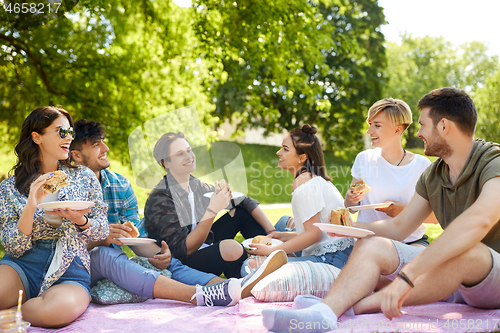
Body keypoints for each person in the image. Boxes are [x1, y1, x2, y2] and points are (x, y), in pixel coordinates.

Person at [261, 88, 500, 333]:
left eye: (422, 125)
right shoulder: (434, 174)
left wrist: (407, 277)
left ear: (444, 126)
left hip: (490, 273)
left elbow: (479, 221)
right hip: (448, 275)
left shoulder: (494, 162)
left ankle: (357, 306)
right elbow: (398, 227)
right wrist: (346, 228)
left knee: (468, 252)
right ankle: (324, 313)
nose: (417, 133)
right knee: (373, 244)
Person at [69, 119, 251, 306]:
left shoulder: (120, 184)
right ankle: (202, 294)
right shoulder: (65, 187)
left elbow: (135, 237)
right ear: (77, 155)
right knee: (107, 255)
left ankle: (231, 288)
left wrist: (160, 256)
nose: (106, 148)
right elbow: (61, 246)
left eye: (103, 141)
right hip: (79, 265)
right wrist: (101, 238)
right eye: (96, 145)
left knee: (171, 265)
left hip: (120, 261)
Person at [0, 106, 109, 328]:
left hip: (70, 268)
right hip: (23, 264)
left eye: (70, 132)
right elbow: (13, 247)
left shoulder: (84, 177)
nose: (68, 138)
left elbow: (103, 230)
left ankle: (12, 313)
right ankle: (22, 306)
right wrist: (31, 205)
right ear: (36, 137)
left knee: (55, 313)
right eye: (61, 132)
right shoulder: (8, 188)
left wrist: (81, 221)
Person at [143, 131, 286, 295]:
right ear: (166, 163)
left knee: (240, 212)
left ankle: (274, 258)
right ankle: (250, 281)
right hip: (182, 263)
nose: (189, 156)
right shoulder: (161, 198)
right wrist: (212, 210)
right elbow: (183, 249)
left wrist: (271, 232)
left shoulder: (195, 185)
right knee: (231, 248)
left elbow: (243, 200)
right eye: (180, 154)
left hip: (203, 245)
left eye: (189, 150)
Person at [243, 125, 355, 274]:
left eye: (285, 149)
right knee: (283, 224)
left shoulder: (304, 182)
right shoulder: (312, 178)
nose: (278, 152)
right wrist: (284, 236)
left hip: (331, 259)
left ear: (302, 157)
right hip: (342, 254)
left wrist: (272, 250)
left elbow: (313, 234)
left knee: (249, 266)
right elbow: (319, 231)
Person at [344, 98, 432, 247]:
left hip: (410, 243)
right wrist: (350, 198)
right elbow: (351, 208)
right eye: (370, 124)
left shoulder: (422, 165)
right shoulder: (364, 158)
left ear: (397, 130)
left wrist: (403, 211)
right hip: (367, 242)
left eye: (377, 125)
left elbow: (436, 217)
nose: (369, 131)